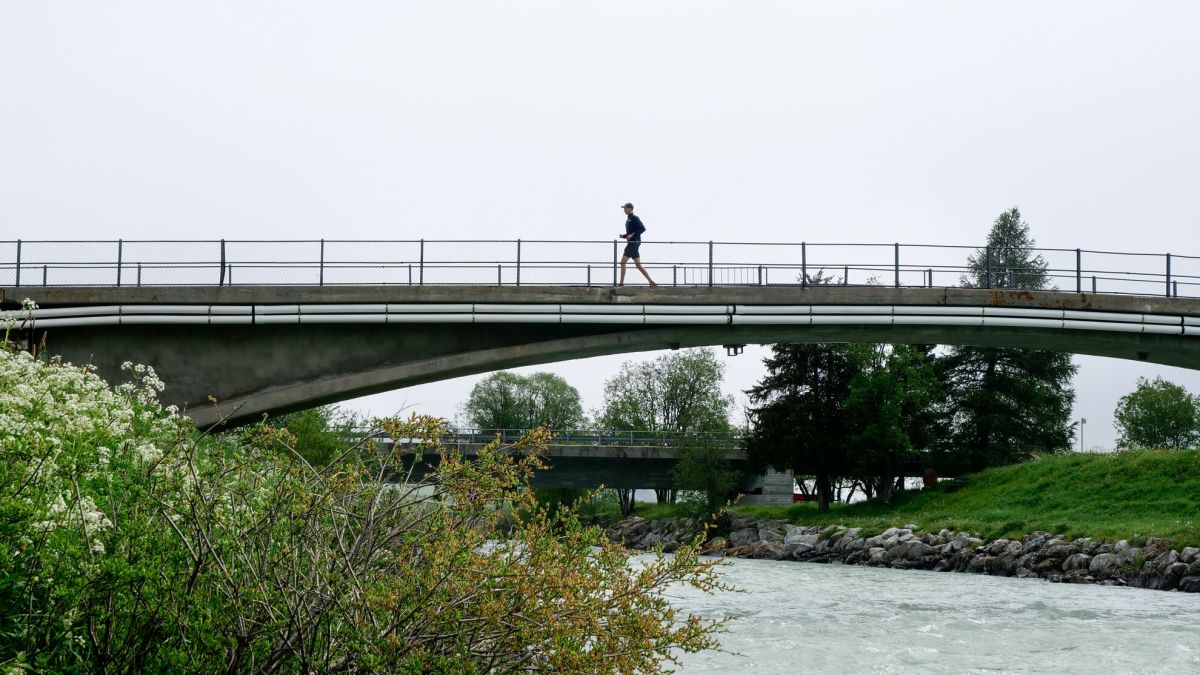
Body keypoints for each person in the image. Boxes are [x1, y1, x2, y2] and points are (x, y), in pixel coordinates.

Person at [617, 202, 656, 286]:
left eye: (625, 208)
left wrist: (632, 234)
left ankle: (621, 283)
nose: (624, 210)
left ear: (630, 209)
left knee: (622, 263)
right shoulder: (628, 219)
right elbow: (629, 234)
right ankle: (651, 281)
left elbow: (642, 228)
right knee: (638, 264)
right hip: (633, 243)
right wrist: (623, 236)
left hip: (633, 243)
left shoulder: (634, 218)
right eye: (624, 208)